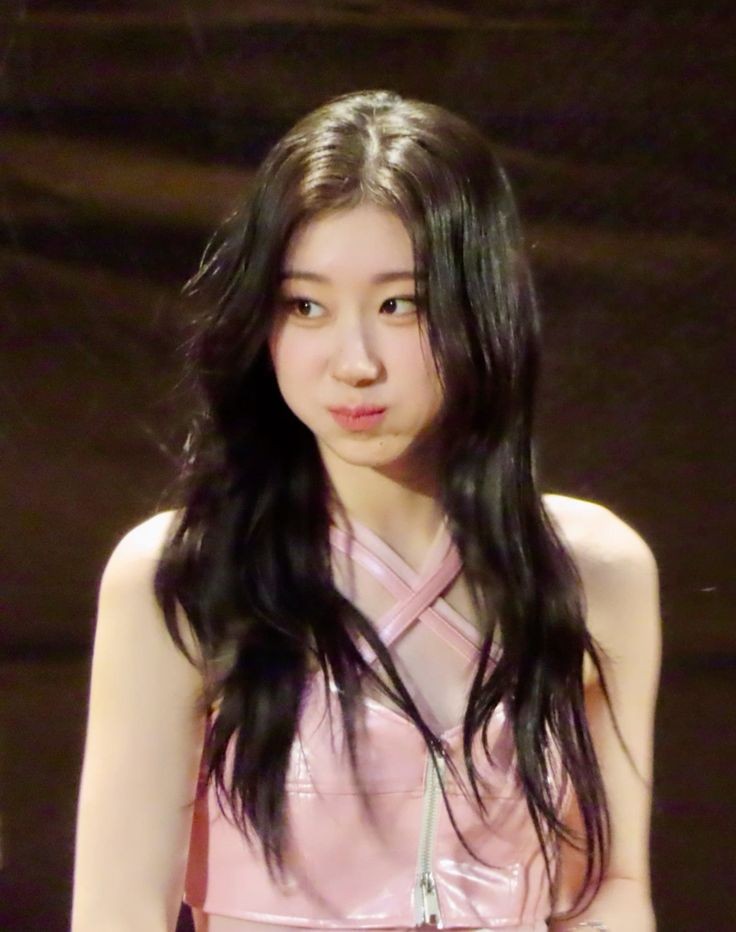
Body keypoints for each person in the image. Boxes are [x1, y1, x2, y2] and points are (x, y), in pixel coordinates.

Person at [71, 90, 661, 932]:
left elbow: (610, 887)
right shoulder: (188, 576)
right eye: (304, 306)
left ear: (480, 307)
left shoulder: (590, 572)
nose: (353, 362)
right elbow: (118, 911)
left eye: (399, 305)